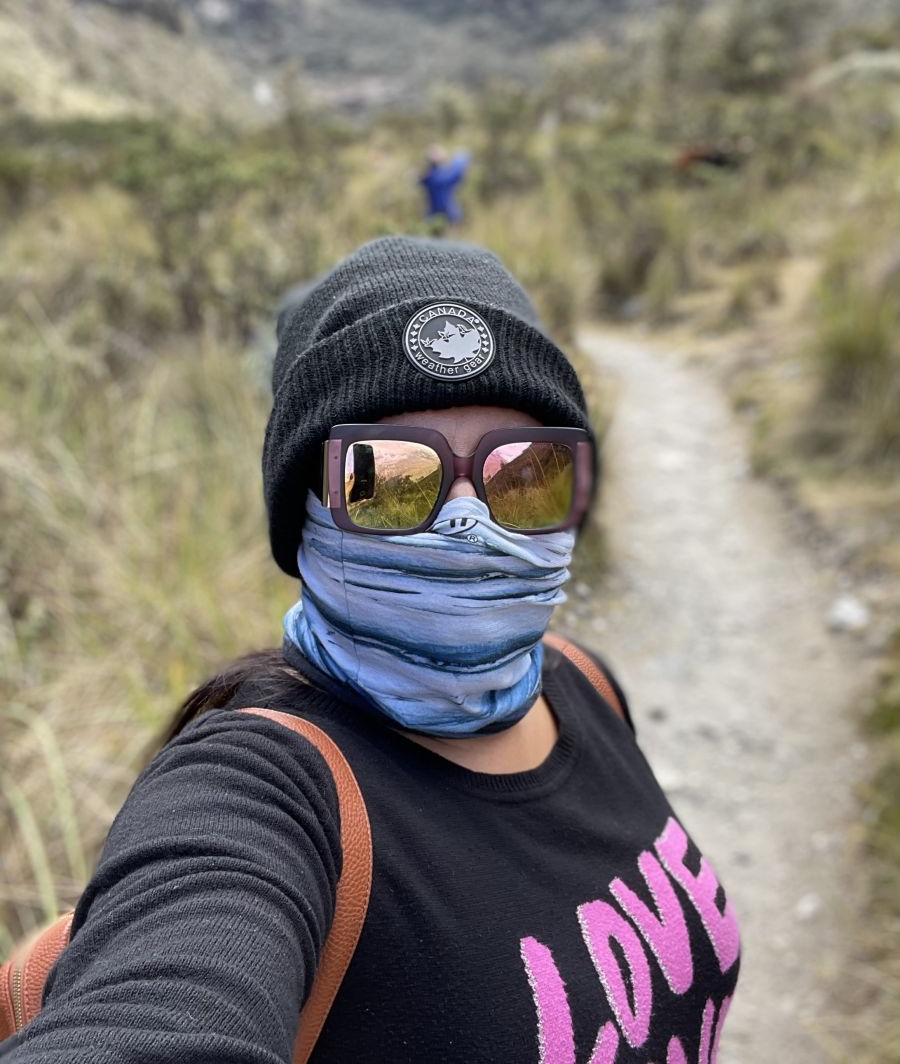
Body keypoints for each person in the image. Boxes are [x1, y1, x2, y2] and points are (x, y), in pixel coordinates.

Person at [2, 237, 740, 1063]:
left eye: (526, 470)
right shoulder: (259, 794)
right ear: (305, 511)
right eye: (390, 478)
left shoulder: (586, 685)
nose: (470, 519)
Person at [420, 144, 470, 223]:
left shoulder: (430, 176)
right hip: (444, 213)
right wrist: (461, 158)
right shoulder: (436, 176)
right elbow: (456, 172)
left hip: (443, 213)